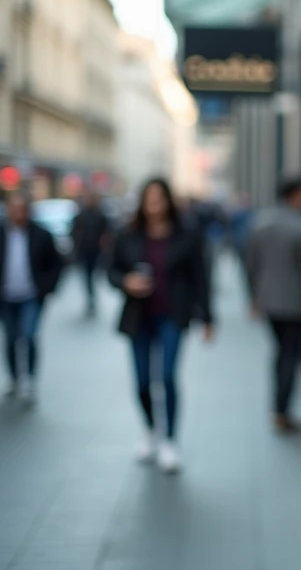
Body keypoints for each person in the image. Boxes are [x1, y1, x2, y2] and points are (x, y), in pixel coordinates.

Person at [109, 178, 213, 473]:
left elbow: (201, 278)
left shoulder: (187, 236)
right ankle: (151, 429)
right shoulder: (127, 235)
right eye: (149, 199)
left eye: (159, 198)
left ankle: (170, 439)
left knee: (166, 377)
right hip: (138, 318)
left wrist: (208, 317)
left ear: (168, 201)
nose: (154, 205)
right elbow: (112, 271)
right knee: (142, 382)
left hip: (173, 316)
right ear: (142, 202)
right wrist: (126, 281)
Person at [245, 175, 301, 433]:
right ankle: (282, 410)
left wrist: (254, 297)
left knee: (281, 353)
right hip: (296, 302)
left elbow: (251, 264)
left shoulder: (261, 222)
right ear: (296, 194)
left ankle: (278, 408)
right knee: (291, 355)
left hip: (269, 300)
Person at [0, 193, 63, 404]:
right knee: (11, 338)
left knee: (28, 336)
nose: (17, 213)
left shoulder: (41, 234)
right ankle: (15, 379)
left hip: (31, 296)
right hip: (6, 297)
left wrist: (46, 288)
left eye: (21, 209)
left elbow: (56, 263)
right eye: (13, 208)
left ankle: (30, 380)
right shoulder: (2, 233)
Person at [71, 189, 111, 317]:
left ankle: (92, 296)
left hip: (96, 252)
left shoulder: (100, 215)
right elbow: (73, 232)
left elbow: (107, 233)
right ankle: (90, 297)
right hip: (84, 251)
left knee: (93, 276)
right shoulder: (80, 215)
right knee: (87, 277)